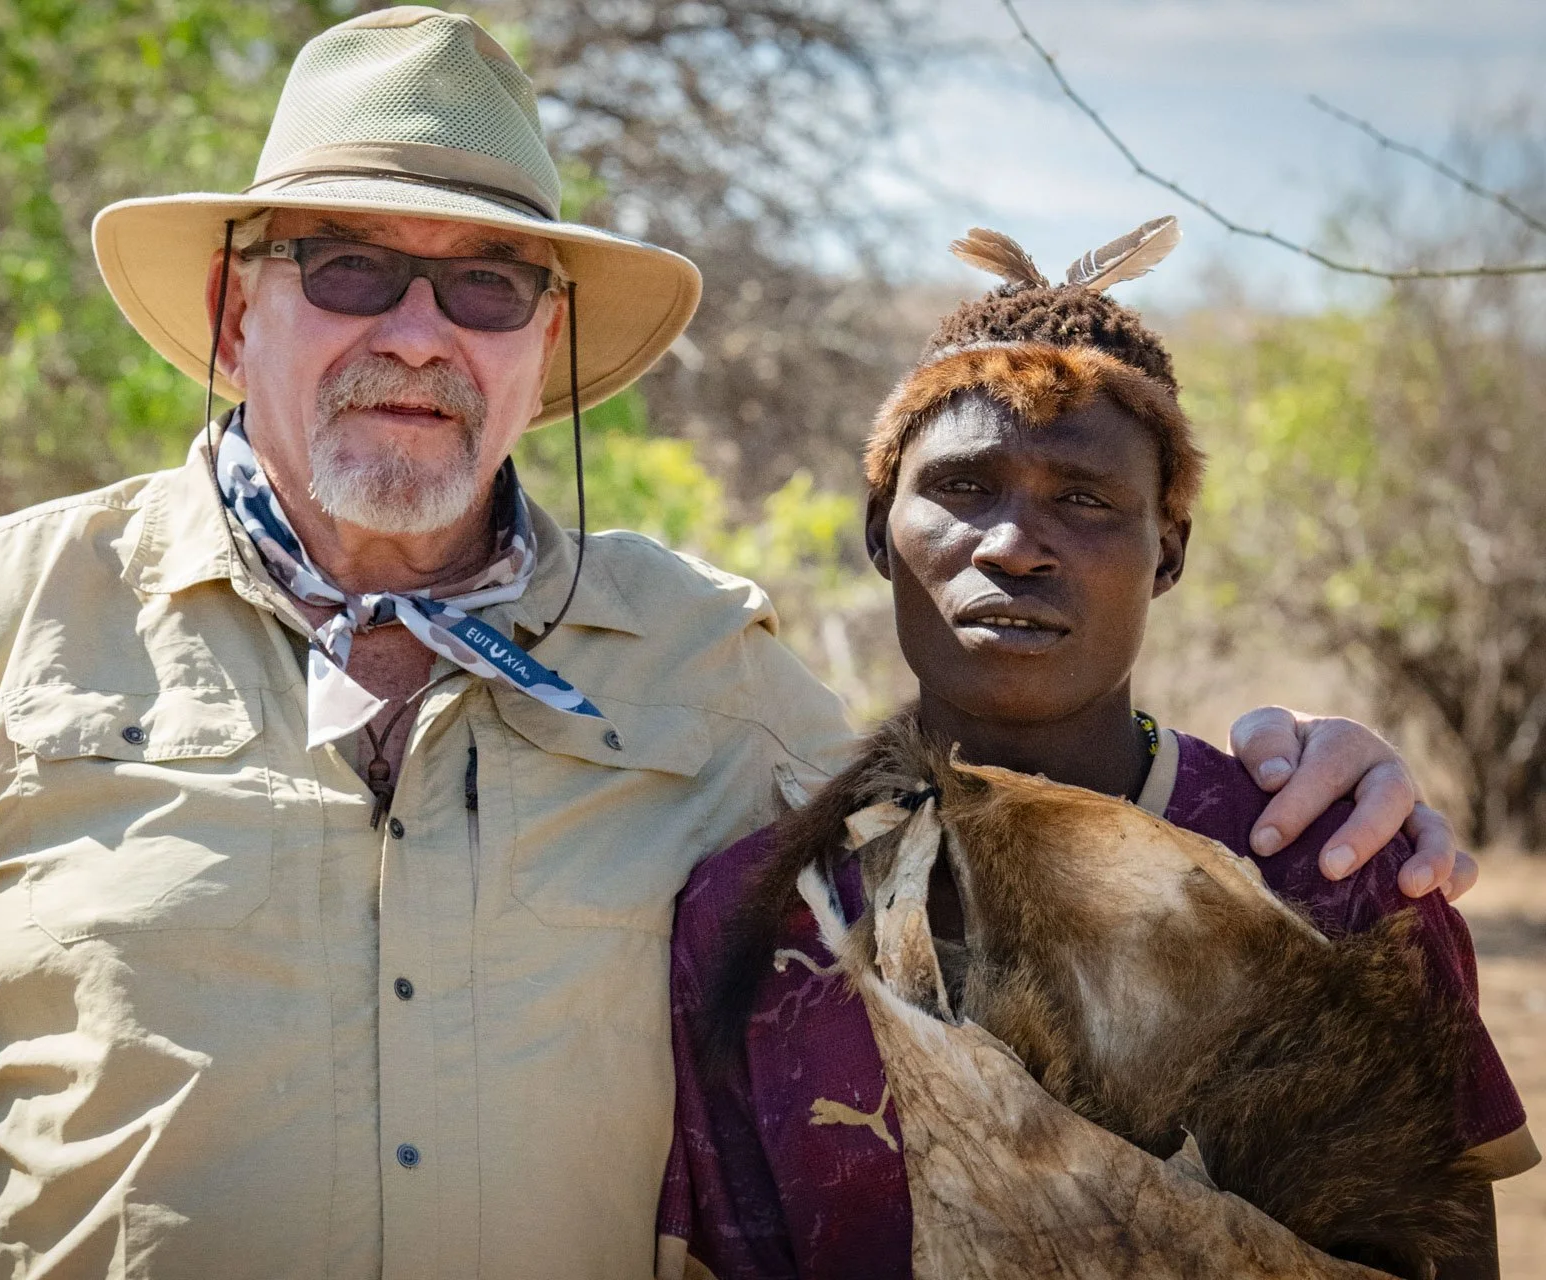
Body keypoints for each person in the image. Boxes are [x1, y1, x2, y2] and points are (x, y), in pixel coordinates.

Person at [0, 12, 1467, 1280]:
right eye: (348, 266)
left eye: (484, 284)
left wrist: (1305, 782)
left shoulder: (699, 664)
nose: (416, 331)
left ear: (541, 347)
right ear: (234, 311)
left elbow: (990, 856)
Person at [656, 223, 1538, 1280]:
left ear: (1166, 551)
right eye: (964, 488)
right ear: (879, 530)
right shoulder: (758, 913)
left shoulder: (1333, 872)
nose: (1015, 542)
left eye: (1083, 497)